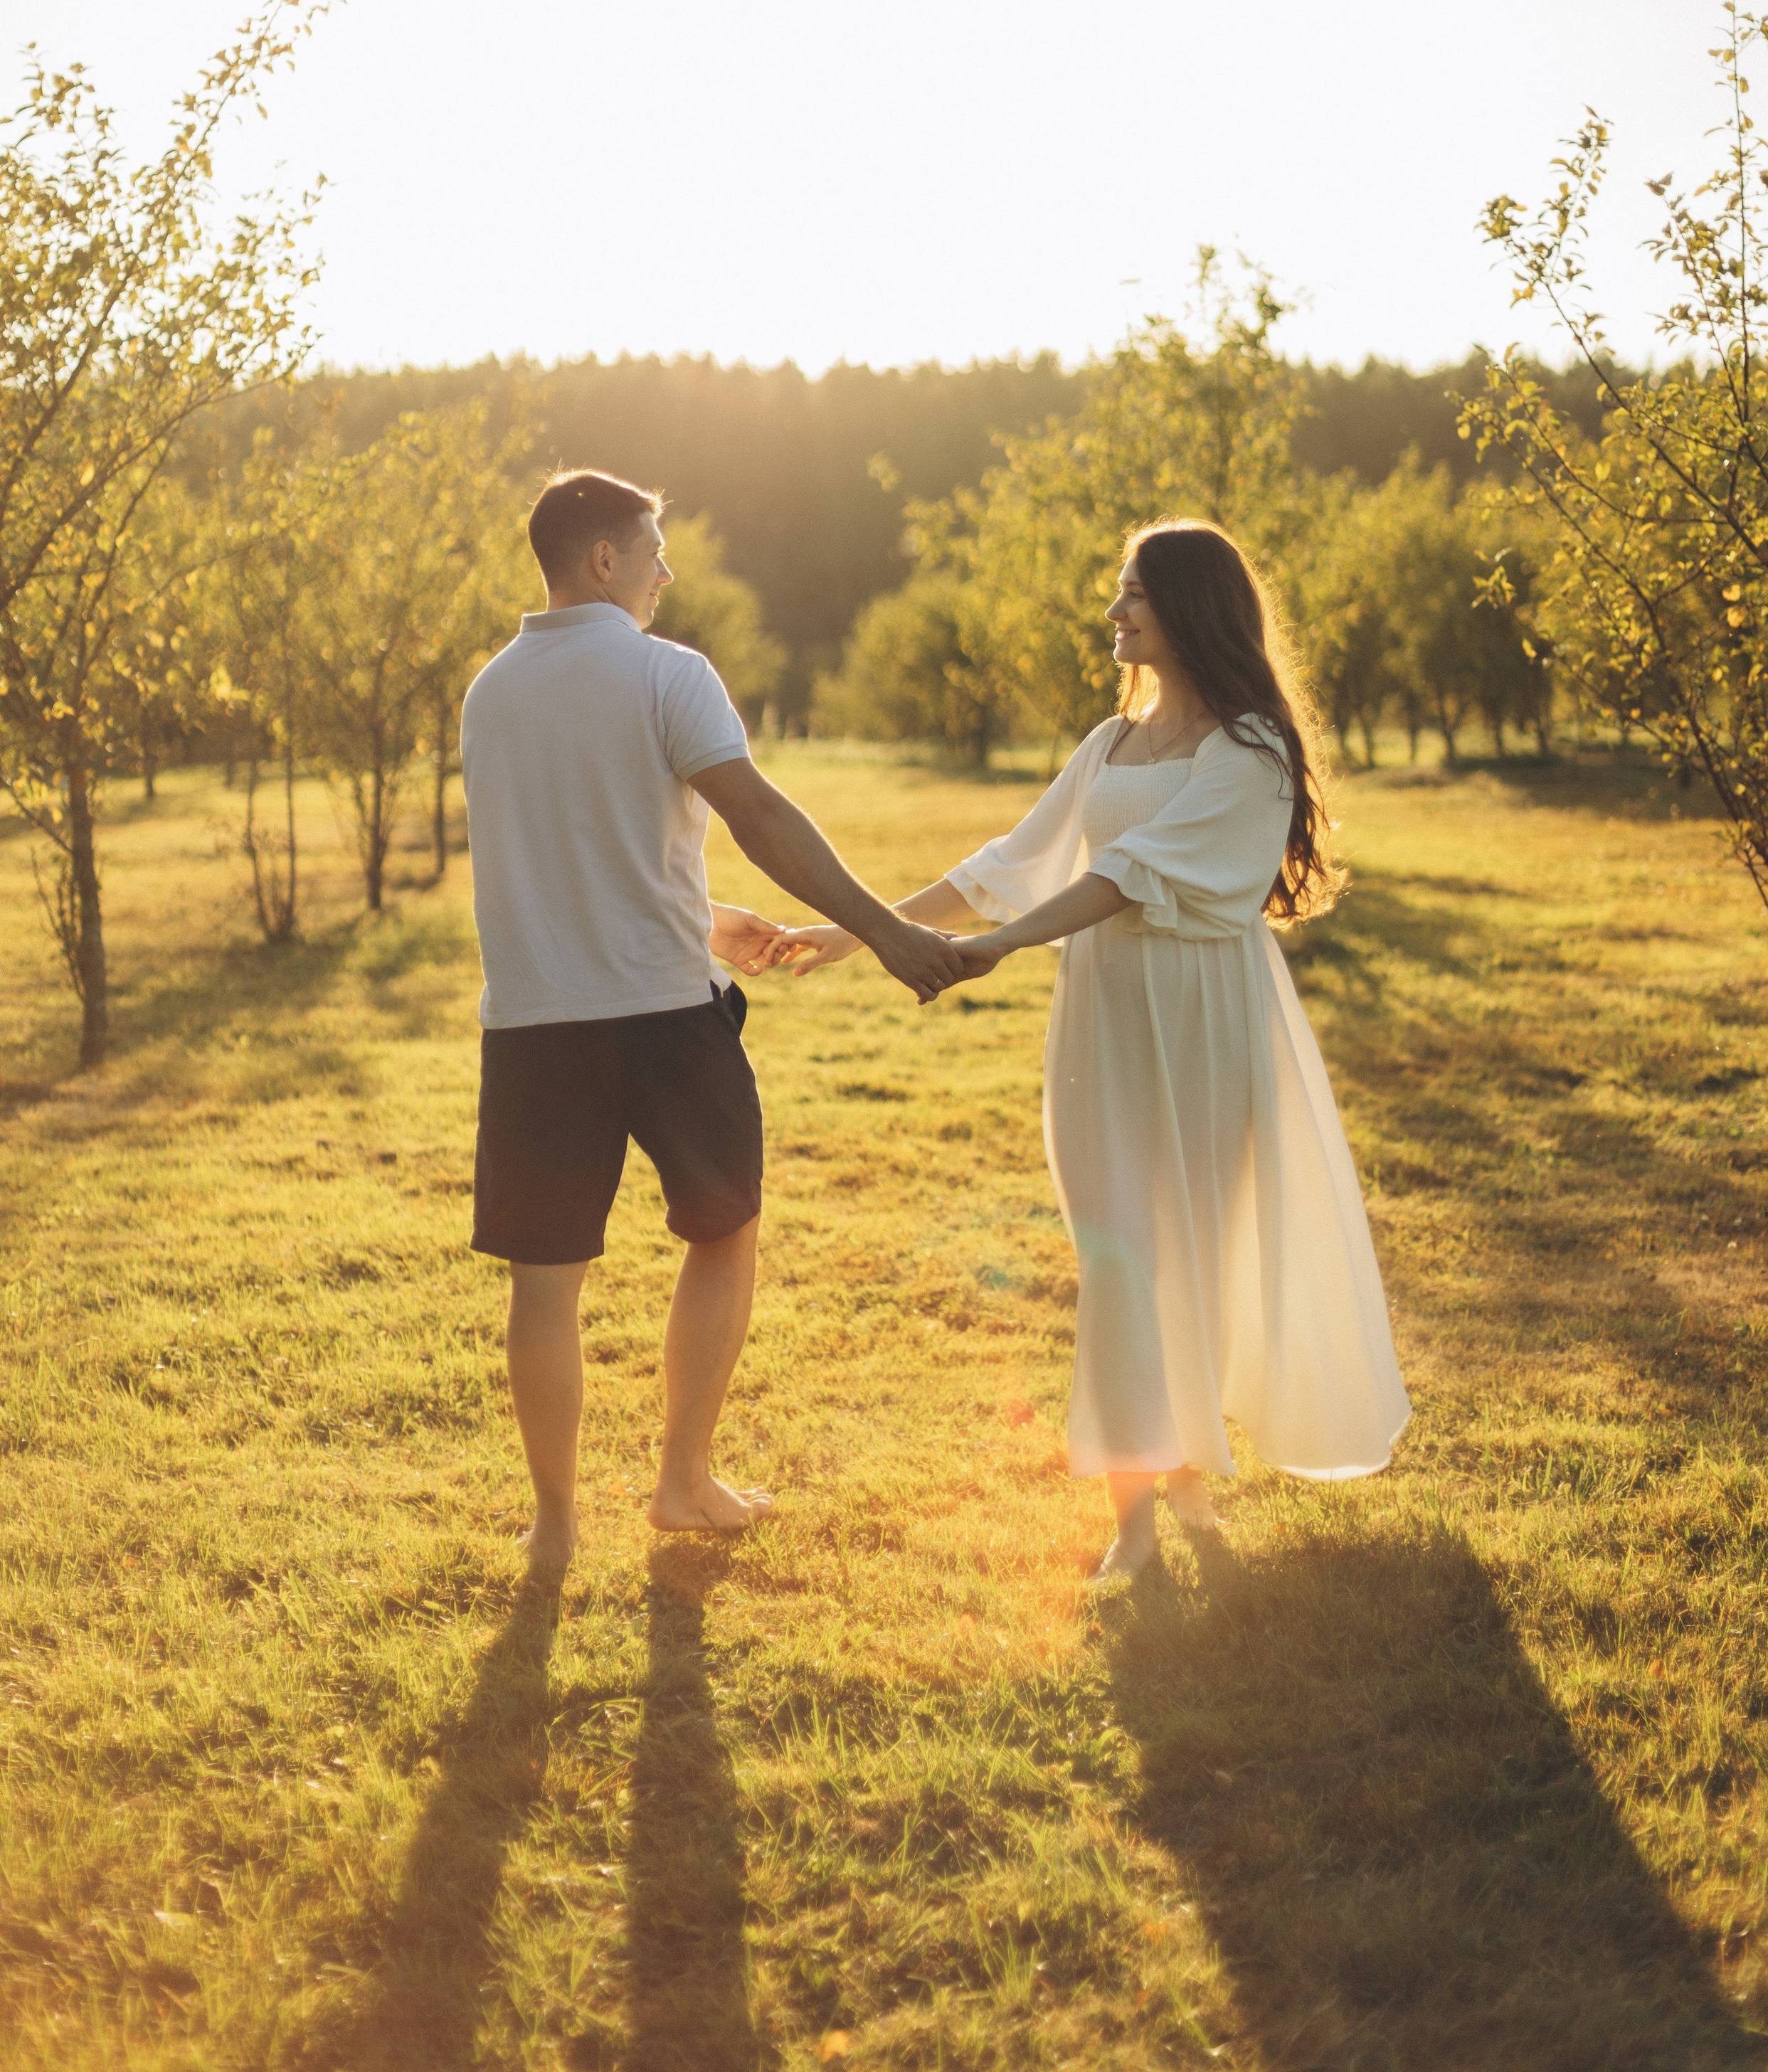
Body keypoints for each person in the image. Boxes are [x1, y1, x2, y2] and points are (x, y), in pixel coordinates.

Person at [785, 519, 1410, 1577]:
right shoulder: (1108, 741)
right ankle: (1135, 1519)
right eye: (1119, 592)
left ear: (1190, 608)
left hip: (1206, 1016)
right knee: (1118, 1253)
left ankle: (1190, 1490)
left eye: (1134, 594)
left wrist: (995, 950)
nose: (1115, 611)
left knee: (1188, 1248)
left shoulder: (1251, 749)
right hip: (1105, 1016)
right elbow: (1011, 861)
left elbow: (1133, 874)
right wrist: (856, 931)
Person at [460, 468, 963, 1571]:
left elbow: (569, 858)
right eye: (654, 549)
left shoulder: (489, 691)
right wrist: (882, 927)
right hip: (662, 1024)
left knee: (545, 1279)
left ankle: (553, 1525)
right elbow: (762, 817)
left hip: (534, 1027)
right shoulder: (666, 672)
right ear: (604, 559)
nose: (666, 572)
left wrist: (709, 921)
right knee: (723, 1232)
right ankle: (682, 1483)